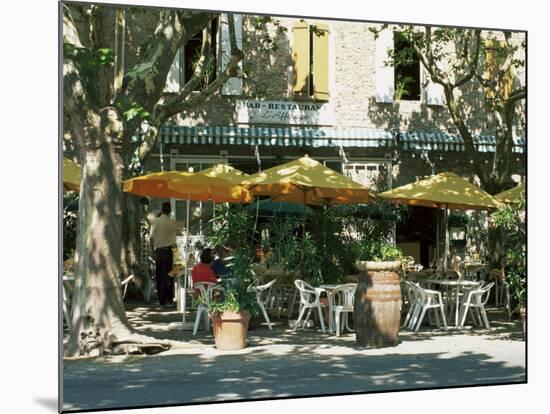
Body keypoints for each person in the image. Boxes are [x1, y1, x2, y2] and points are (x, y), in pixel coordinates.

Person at [150, 202, 185, 306]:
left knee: (159, 275)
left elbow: (151, 238)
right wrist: (199, 218)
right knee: (168, 275)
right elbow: (184, 225)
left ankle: (162, 299)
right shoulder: (170, 223)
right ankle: (167, 300)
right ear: (170, 211)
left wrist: (152, 252)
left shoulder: (155, 222)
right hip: (167, 251)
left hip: (158, 251)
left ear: (162, 209)